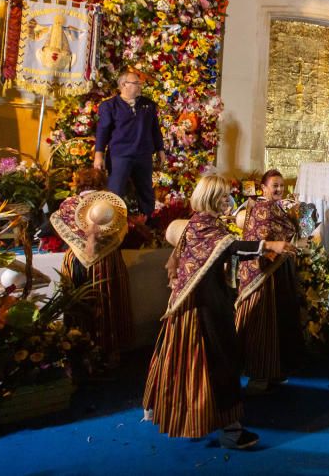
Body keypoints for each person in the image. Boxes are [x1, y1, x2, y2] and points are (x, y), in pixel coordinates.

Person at [142, 173, 296, 446]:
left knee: (188, 360)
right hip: (204, 306)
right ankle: (230, 429)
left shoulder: (200, 223)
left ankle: (182, 413)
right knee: (219, 360)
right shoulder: (205, 226)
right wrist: (270, 245)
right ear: (212, 198)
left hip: (194, 304)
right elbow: (231, 247)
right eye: (224, 196)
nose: (229, 200)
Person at [53, 172, 133, 366]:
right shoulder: (114, 206)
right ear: (102, 185)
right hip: (107, 263)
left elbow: (57, 224)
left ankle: (75, 352)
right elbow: (122, 229)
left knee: (77, 304)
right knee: (108, 304)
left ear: (78, 184)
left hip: (76, 262)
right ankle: (109, 354)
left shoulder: (67, 205)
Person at [234, 170, 304, 393]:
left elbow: (290, 231)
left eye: (282, 186)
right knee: (262, 323)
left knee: (279, 323)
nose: (279, 190)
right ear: (263, 188)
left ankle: (275, 370)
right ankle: (258, 374)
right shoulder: (261, 209)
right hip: (263, 275)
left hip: (279, 272)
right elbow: (259, 240)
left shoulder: (276, 208)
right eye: (274, 185)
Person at [94, 70, 167, 218]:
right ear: (123, 85)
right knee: (116, 192)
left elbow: (155, 129)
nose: (140, 86)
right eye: (136, 83)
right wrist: (99, 155)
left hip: (143, 155)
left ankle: (148, 226)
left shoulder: (148, 105)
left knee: (146, 192)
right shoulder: (109, 106)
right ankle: (112, 225)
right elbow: (103, 131)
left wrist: (160, 149)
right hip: (120, 156)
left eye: (140, 83)